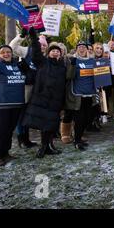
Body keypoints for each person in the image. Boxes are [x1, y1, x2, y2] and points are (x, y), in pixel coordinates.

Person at [21, 28, 67, 158]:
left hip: (55, 100)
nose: (55, 52)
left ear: (60, 53)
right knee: (42, 123)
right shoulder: (42, 62)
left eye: (57, 51)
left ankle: (48, 145)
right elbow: (35, 51)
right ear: (48, 52)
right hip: (41, 97)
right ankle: (43, 146)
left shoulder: (63, 66)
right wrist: (33, 37)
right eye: (52, 50)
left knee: (51, 124)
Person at [65, 41, 98, 150]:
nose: (82, 49)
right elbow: (69, 76)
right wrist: (73, 65)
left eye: (84, 47)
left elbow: (99, 75)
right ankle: (77, 141)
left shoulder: (92, 61)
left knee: (87, 119)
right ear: (76, 49)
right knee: (79, 119)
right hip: (78, 95)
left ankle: (78, 137)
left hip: (90, 94)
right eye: (79, 47)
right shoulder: (73, 60)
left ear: (87, 49)